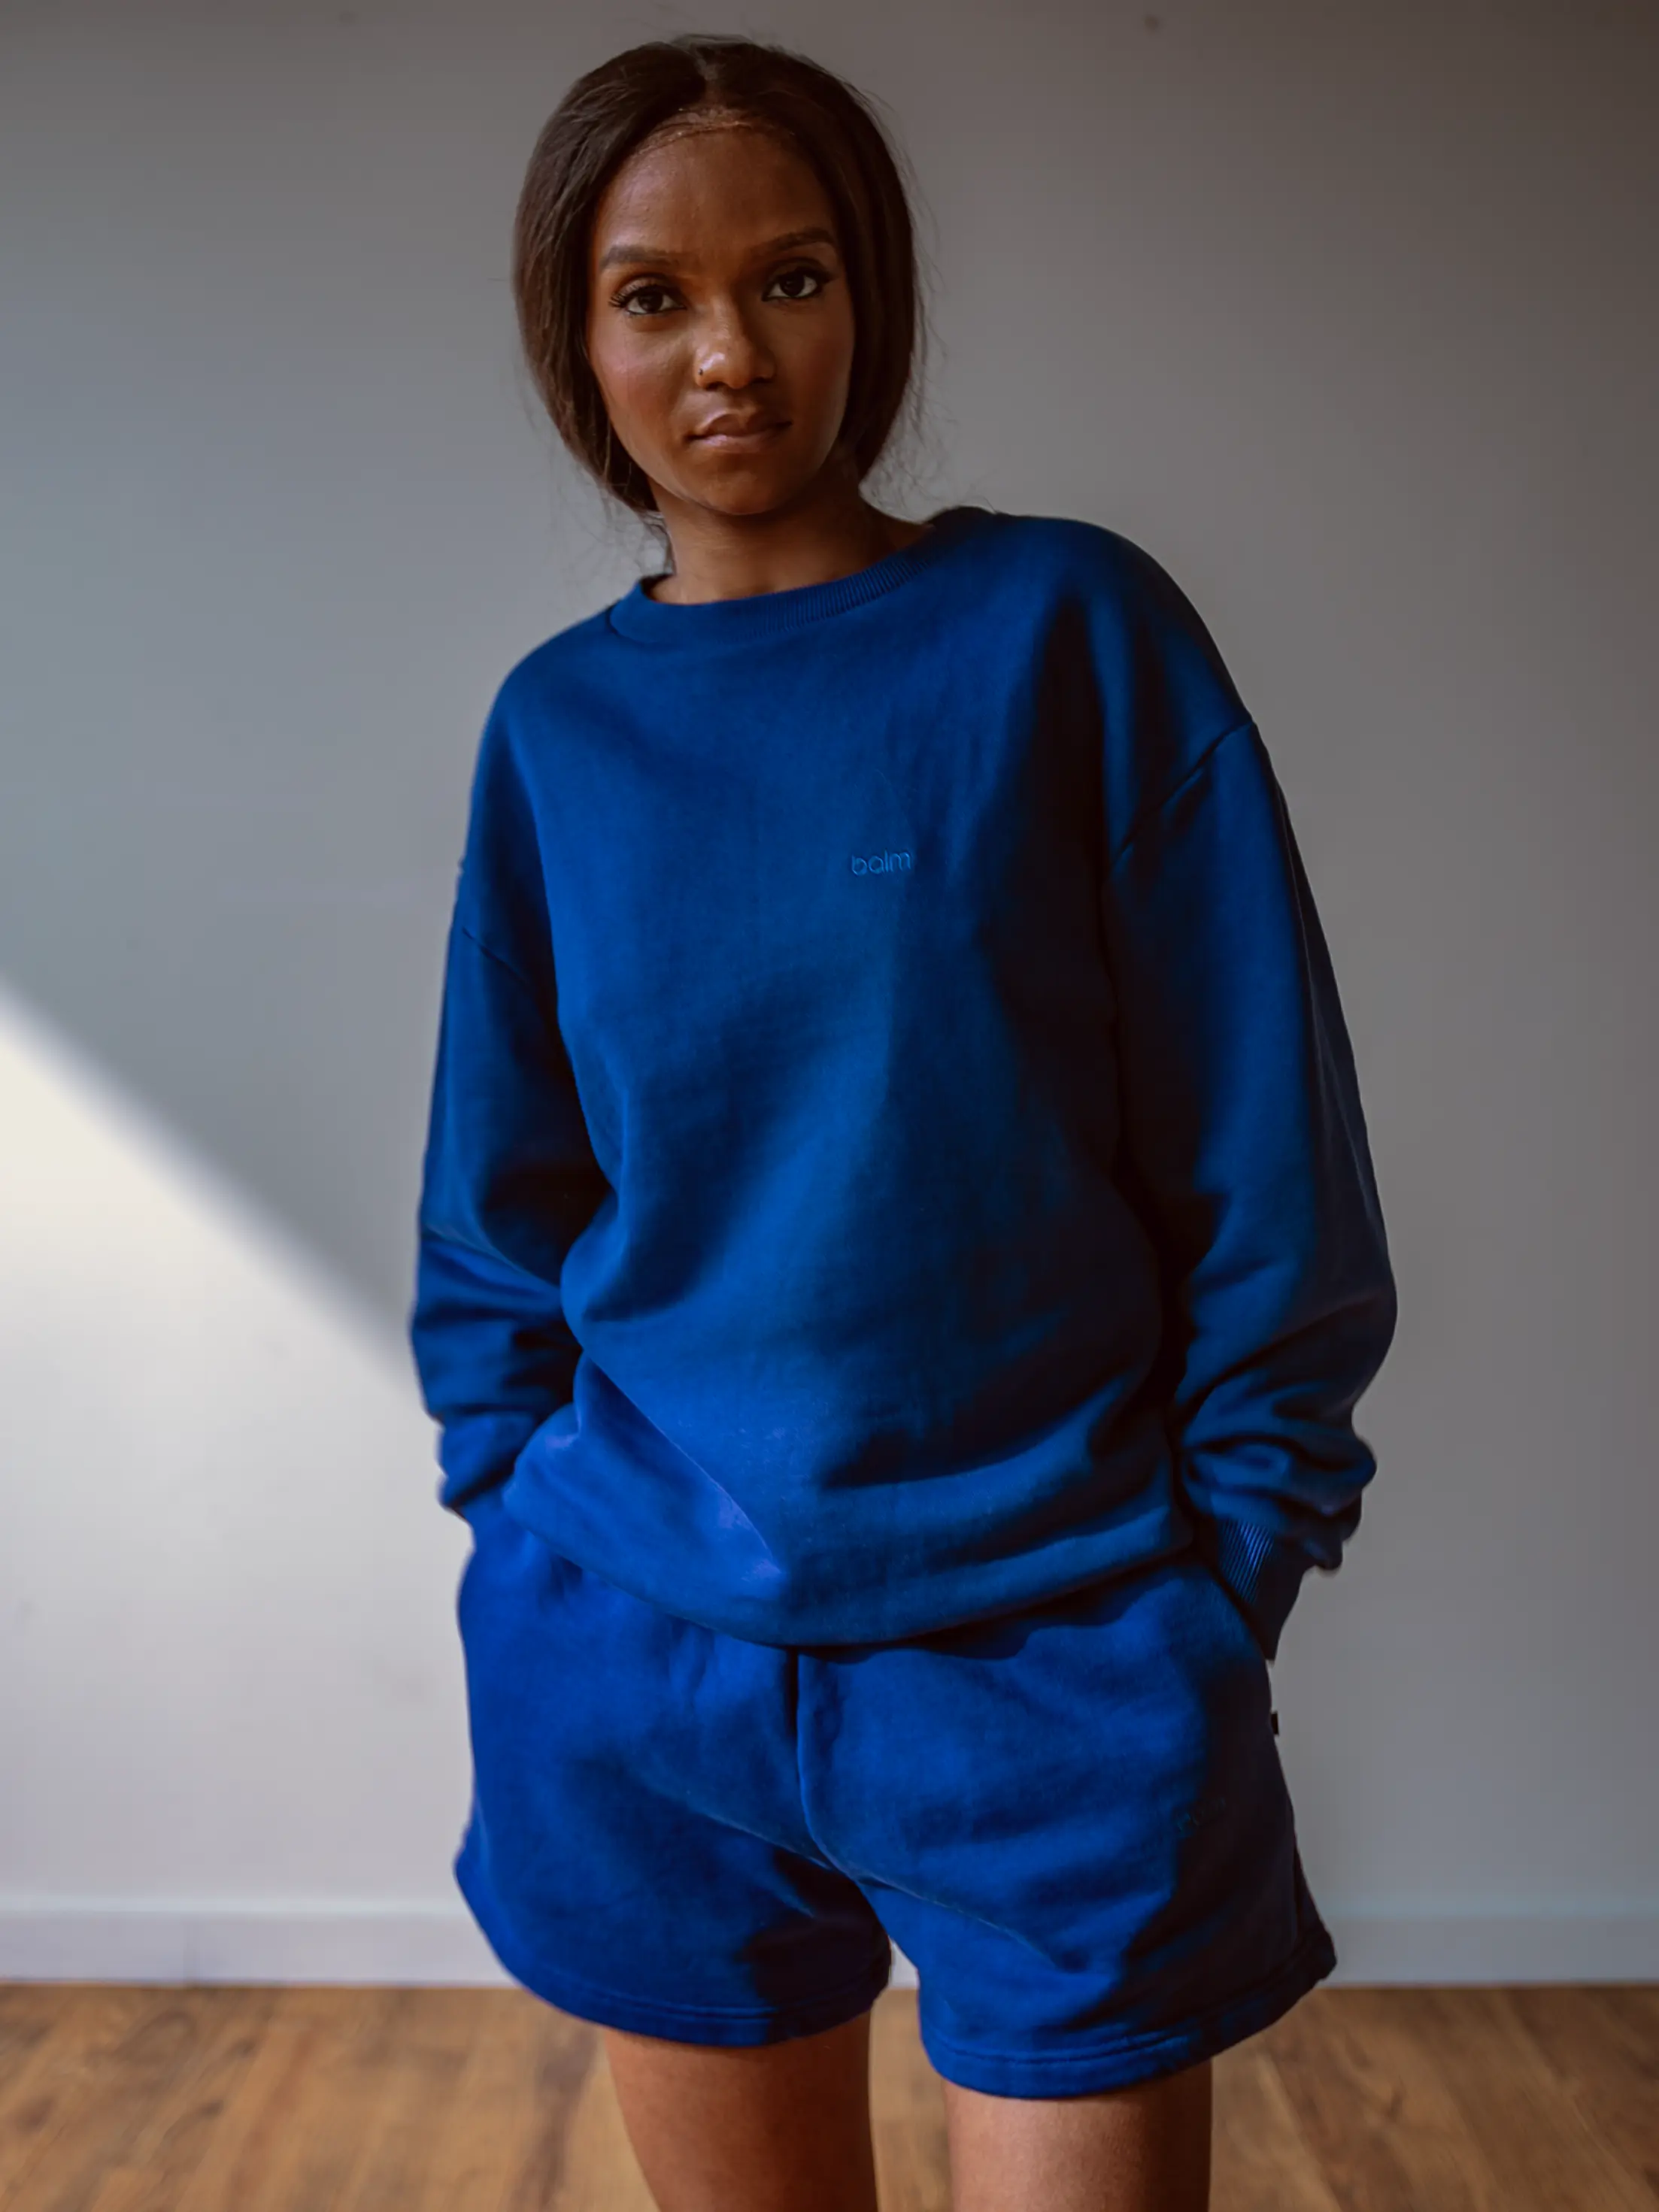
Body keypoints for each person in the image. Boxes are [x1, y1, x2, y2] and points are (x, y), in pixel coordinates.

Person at [408, 32, 1397, 2212]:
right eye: (651, 293)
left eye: (794, 276)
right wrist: (522, 1528)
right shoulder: (559, 731)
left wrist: (1214, 1577)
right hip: (640, 1656)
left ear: (874, 302)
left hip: (1052, 1657)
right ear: (576, 341)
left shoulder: (1066, 631)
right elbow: (499, 1207)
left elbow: (1270, 1161)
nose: (729, 351)